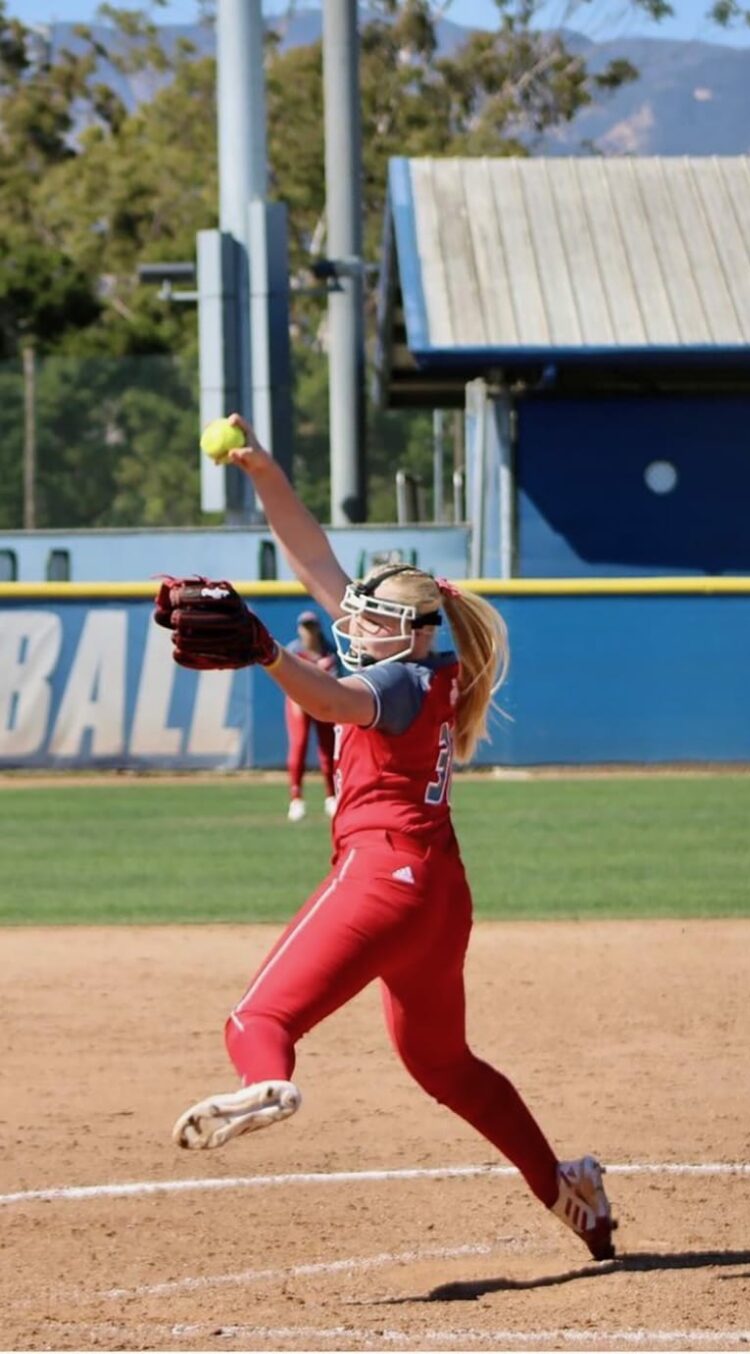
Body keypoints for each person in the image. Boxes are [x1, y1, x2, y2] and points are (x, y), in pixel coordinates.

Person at [168, 414, 616, 1262]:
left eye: (365, 618)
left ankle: (267, 1083)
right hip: (440, 897)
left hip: (381, 878)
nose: (348, 623)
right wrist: (262, 469)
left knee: (256, 1017)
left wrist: (266, 653)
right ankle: (572, 1194)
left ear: (403, 631)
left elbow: (333, 702)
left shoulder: (399, 679)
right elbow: (314, 562)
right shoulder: (429, 659)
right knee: (444, 1066)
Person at [284, 609, 338, 822]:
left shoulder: (329, 652)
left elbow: (335, 682)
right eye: (305, 627)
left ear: (318, 628)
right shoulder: (294, 651)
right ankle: (296, 799)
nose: (309, 631)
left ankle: (331, 796)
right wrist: (298, 701)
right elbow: (287, 679)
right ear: (299, 630)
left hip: (323, 703)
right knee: (299, 745)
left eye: (312, 626)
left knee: (328, 749)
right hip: (298, 703)